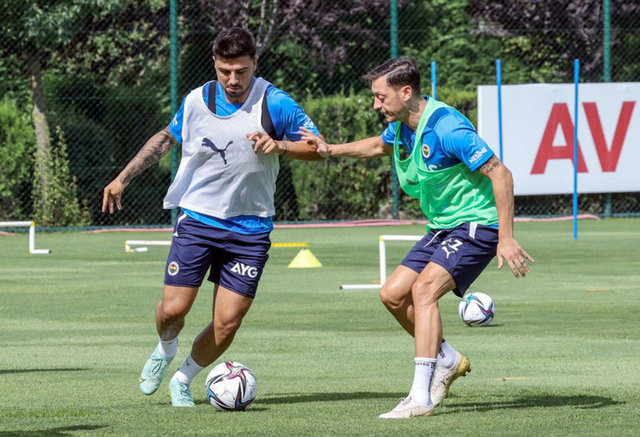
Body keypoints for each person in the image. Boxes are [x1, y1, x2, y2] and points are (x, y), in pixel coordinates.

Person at [300, 57, 533, 419]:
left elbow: (501, 174)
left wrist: (506, 237)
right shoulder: (403, 126)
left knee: (424, 291)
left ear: (405, 92)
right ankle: (448, 359)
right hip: (443, 226)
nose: (375, 105)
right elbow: (377, 146)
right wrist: (331, 150)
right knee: (392, 294)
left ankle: (420, 397)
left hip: (478, 225)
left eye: (380, 97)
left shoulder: (447, 128)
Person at [102, 27, 322, 407]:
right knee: (173, 311)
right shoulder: (196, 101)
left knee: (227, 322)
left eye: (241, 70)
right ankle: (166, 349)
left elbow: (318, 147)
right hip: (199, 220)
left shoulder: (276, 103)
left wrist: (280, 145)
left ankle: (183, 379)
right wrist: (123, 178)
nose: (233, 80)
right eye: (225, 71)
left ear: (255, 63)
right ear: (215, 64)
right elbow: (166, 139)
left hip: (251, 229)